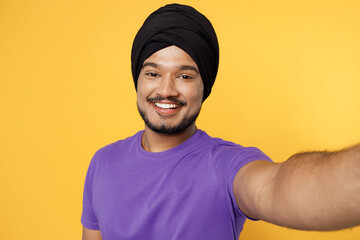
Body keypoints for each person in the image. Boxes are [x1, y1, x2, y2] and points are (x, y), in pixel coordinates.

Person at [81, 3, 360, 240]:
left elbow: (275, 187)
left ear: (205, 88)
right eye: (153, 73)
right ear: (138, 79)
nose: (166, 90)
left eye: (185, 76)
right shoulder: (103, 163)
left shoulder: (225, 166)